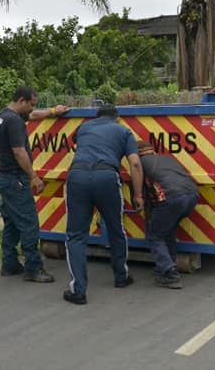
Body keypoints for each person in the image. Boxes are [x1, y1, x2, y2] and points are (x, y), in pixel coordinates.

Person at [63, 105, 143, 305]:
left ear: (97, 117)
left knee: (76, 236)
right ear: (116, 118)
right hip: (107, 178)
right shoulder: (123, 131)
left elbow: (74, 143)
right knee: (116, 229)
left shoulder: (84, 127)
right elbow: (134, 163)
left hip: (77, 176)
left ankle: (78, 291)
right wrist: (138, 195)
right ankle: (121, 277)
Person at [0, 86, 68, 283]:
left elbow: (33, 115)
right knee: (29, 223)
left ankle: (9, 264)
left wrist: (53, 111)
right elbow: (19, 151)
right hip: (16, 179)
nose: (32, 109)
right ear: (21, 100)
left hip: (5, 178)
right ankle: (34, 268)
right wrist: (33, 177)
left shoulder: (4, 114)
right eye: (30, 105)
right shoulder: (14, 122)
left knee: (11, 223)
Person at [136, 141, 199, 289]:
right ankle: (168, 265)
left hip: (172, 199)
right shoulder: (166, 158)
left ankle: (170, 275)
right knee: (168, 232)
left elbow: (146, 194)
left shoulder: (139, 163)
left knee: (155, 235)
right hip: (192, 196)